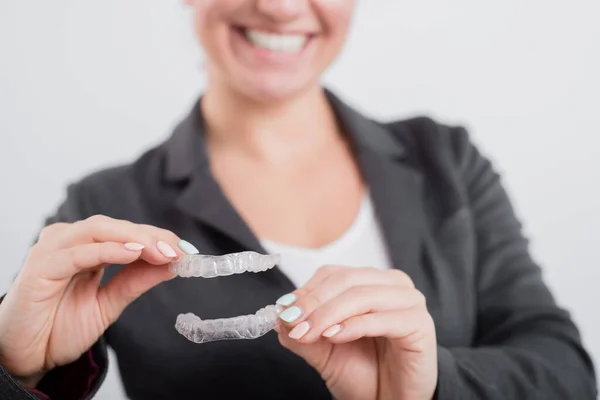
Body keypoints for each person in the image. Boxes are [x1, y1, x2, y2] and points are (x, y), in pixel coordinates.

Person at [0, 0, 596, 399]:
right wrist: (16, 370)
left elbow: (567, 373)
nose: (282, 6)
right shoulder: (102, 204)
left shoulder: (447, 161)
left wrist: (431, 385)